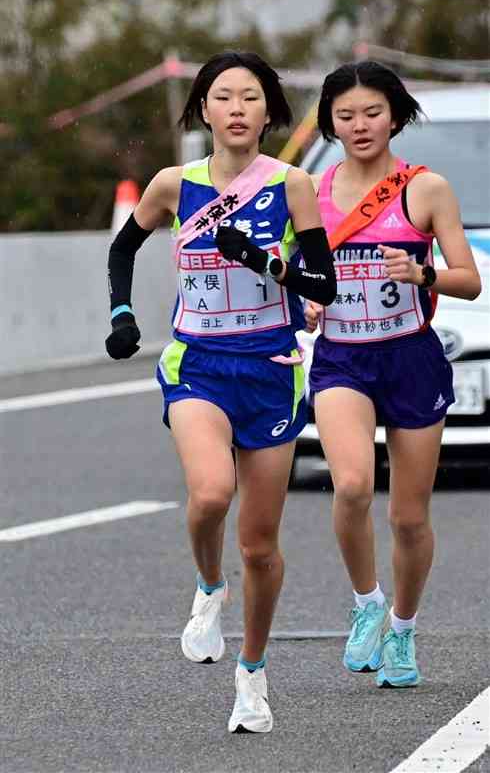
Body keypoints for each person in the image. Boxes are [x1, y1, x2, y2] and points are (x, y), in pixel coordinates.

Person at [105, 50, 336, 732]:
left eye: (251, 98)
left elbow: (321, 285)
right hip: (198, 364)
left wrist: (262, 261)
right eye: (223, 97)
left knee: (260, 543)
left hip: (269, 368)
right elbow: (124, 248)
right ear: (202, 108)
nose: (237, 109)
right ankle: (209, 588)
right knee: (209, 494)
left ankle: (253, 675)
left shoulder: (294, 184)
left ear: (270, 112)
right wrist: (122, 314)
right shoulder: (175, 184)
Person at [307, 60, 481, 688]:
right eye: (346, 115)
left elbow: (470, 278)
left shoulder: (425, 189)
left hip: (410, 358)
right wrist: (308, 300)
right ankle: (366, 605)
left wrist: (421, 274)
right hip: (341, 359)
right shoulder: (312, 192)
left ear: (395, 115)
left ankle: (403, 630)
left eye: (372, 113)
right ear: (329, 120)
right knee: (351, 485)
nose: (359, 125)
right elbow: (295, 274)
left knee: (409, 517)